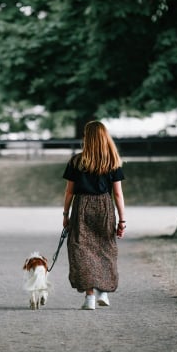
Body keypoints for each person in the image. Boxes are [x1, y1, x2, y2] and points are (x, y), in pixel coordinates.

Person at [62, 120, 126, 310]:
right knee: (105, 248)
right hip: (104, 206)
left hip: (82, 206)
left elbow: (69, 192)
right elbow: (118, 194)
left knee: (80, 249)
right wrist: (122, 220)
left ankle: (90, 296)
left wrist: (65, 214)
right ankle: (103, 292)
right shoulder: (113, 161)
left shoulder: (76, 161)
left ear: (86, 138)